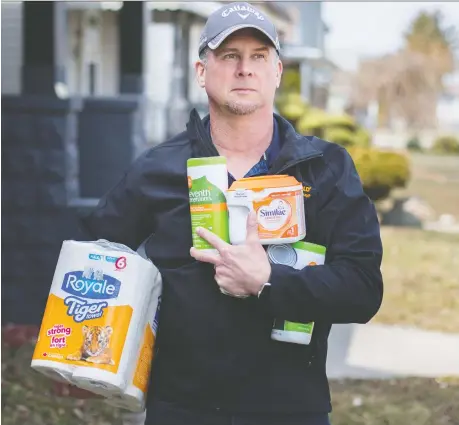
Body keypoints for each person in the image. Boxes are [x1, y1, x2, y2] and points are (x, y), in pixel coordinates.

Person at [62, 2, 384, 424]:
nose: (244, 69)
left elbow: (363, 290)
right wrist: (98, 350)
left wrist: (268, 280)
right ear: (201, 71)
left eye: (258, 57)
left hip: (289, 409)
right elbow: (93, 258)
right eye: (229, 55)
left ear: (277, 72)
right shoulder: (158, 168)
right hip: (183, 410)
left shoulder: (324, 169)